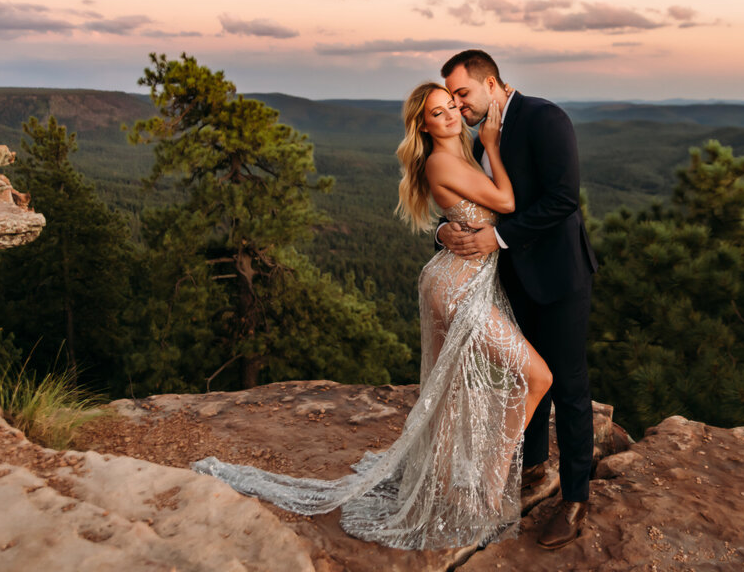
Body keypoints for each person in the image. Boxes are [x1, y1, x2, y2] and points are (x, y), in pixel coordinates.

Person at [193, 81, 553, 550]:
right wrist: (490, 143)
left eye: (451, 108)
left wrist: (448, 224)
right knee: (538, 376)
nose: (448, 116)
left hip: (457, 278)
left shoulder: (460, 156)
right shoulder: (447, 158)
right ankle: (486, 487)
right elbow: (504, 203)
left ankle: (452, 481)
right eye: (437, 113)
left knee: (446, 391)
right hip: (455, 287)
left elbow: (466, 212)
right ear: (422, 124)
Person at [436, 49, 598, 551]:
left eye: (463, 94)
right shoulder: (473, 136)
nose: (459, 107)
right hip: (507, 281)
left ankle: (574, 499)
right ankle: (532, 468)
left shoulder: (545, 118)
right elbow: (463, 201)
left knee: (568, 385)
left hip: (556, 277)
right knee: (525, 377)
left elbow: (562, 198)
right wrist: (444, 231)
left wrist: (499, 238)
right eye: (453, 99)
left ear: (491, 82)